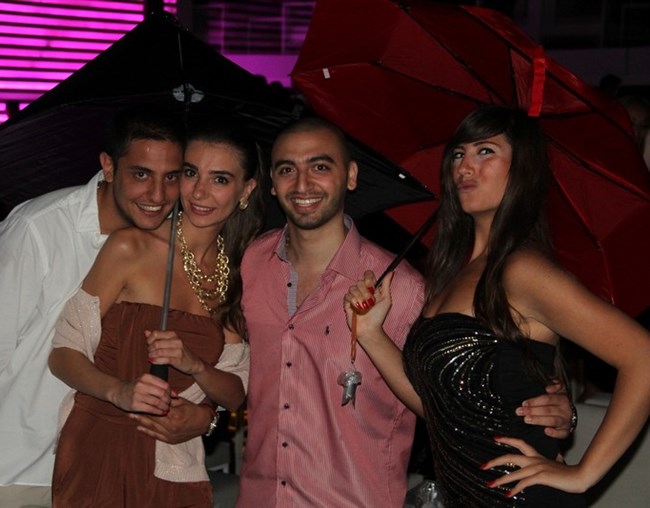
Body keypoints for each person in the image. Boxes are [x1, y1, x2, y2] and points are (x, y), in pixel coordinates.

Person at [235, 116, 575, 507]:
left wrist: (550, 409)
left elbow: (460, 388)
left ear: (351, 176)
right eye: (286, 169)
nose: (302, 183)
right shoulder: (253, 262)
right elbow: (232, 358)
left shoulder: (403, 288)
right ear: (271, 183)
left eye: (320, 166)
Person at [344, 105, 650, 506]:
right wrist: (371, 333)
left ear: (522, 169)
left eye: (485, 151)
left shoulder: (521, 270)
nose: (464, 166)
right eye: (458, 154)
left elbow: (642, 355)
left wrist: (584, 474)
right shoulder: (453, 273)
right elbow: (439, 407)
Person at [0, 108, 214, 508]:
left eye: (171, 177)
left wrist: (205, 413)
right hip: (15, 466)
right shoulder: (37, 230)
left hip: (101, 464)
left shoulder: (170, 247)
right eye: (141, 174)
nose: (157, 195)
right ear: (109, 167)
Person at [48, 119, 262, 506]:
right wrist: (118, 390)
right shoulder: (130, 247)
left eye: (219, 179)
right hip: (99, 448)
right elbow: (63, 353)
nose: (199, 191)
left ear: (246, 190)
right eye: (190, 173)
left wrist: (196, 369)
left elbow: (234, 394)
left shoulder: (235, 276)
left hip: (176, 461)